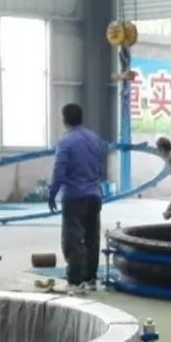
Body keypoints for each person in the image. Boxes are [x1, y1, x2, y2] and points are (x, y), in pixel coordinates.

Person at [48, 103, 104, 293]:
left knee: (73, 239)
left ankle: (75, 281)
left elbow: (59, 171)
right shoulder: (95, 139)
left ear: (64, 119)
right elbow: (99, 167)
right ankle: (90, 279)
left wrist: (52, 194)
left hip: (74, 196)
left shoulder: (65, 141)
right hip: (94, 195)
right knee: (92, 239)